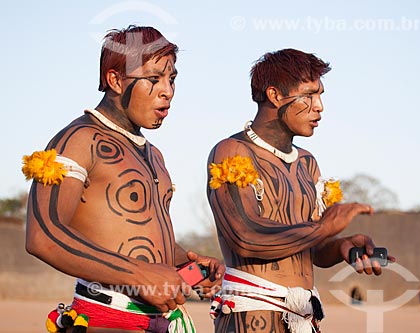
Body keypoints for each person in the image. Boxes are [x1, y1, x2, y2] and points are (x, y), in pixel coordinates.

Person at [22, 25, 224, 333]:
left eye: (172, 79)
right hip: (105, 318)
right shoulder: (78, 139)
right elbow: (43, 237)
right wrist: (138, 275)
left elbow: (139, 240)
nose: (167, 90)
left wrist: (189, 267)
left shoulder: (154, 154)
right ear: (116, 80)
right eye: (154, 79)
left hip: (161, 322)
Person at [206, 48, 394, 333]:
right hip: (253, 316)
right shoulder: (233, 152)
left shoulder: (307, 163)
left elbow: (312, 249)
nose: (319, 106)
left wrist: (341, 245)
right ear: (275, 95)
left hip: (305, 317)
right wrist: (324, 227)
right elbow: (245, 238)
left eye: (320, 95)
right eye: (308, 95)